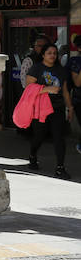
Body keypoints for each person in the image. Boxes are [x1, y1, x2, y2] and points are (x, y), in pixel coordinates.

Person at [26, 42, 73, 179]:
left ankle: (60, 167)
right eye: (49, 53)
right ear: (43, 55)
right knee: (39, 136)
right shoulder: (36, 69)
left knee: (59, 137)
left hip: (57, 108)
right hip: (40, 109)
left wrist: (70, 108)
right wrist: (47, 89)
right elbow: (29, 88)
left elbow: (64, 91)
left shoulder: (61, 70)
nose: (52, 55)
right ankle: (33, 154)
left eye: (54, 53)